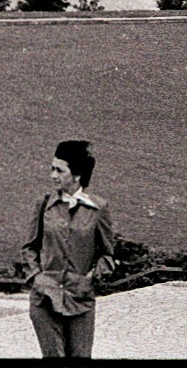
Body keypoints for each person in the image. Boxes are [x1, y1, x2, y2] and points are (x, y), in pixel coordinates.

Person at [20, 139, 116, 359]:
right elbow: (29, 248)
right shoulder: (43, 204)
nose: (52, 175)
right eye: (52, 168)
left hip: (80, 298)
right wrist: (37, 279)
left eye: (59, 170)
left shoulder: (99, 209)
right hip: (45, 297)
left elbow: (107, 255)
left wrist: (90, 279)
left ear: (77, 175)